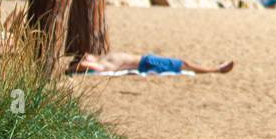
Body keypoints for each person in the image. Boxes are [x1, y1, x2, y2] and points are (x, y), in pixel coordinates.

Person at [72, 51, 234, 75]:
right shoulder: (102, 65)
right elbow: (82, 67)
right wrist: (76, 66)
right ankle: (215, 70)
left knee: (183, 63)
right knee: (183, 64)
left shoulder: (102, 58)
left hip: (146, 59)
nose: (88, 54)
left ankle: (215, 69)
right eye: (85, 57)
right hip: (146, 64)